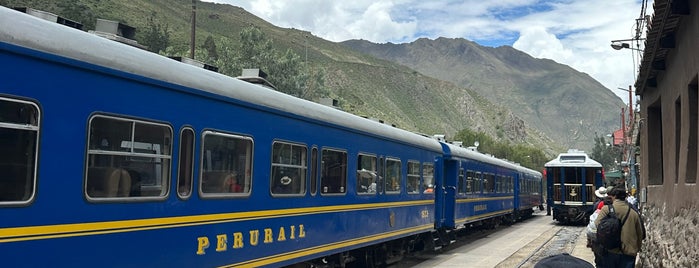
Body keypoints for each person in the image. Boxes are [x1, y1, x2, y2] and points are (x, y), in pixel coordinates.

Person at [594, 186, 644, 268]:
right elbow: (640, 233)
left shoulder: (606, 209)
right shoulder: (633, 213)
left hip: (610, 250)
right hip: (628, 252)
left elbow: (597, 224)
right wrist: (637, 248)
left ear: (614, 196)